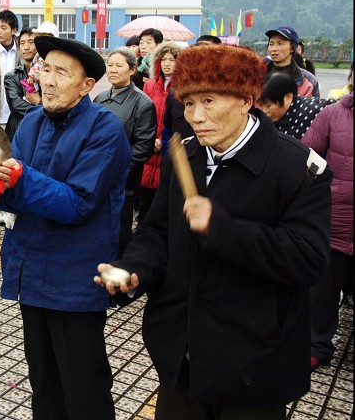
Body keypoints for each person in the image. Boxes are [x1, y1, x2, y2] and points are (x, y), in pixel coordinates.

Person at [95, 45, 332, 420]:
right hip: (182, 351)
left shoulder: (297, 168)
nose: (196, 116)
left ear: (246, 100)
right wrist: (134, 268)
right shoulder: (184, 154)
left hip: (253, 361)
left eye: (208, 100)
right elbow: (158, 232)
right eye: (188, 103)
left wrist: (221, 227)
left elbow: (308, 259)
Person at [0, 36, 131, 420]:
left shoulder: (106, 130)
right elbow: (9, 192)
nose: (48, 80)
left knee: (84, 387)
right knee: (43, 382)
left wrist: (17, 179)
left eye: (62, 73)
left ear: (87, 86)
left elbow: (78, 204)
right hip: (30, 272)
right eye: (45, 68)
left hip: (75, 279)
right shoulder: (30, 124)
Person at [301, 83, 353, 372]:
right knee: (322, 291)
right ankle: (317, 344)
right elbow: (307, 156)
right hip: (333, 223)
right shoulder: (333, 113)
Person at [94, 47, 156, 256]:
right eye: (110, 65)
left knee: (118, 234)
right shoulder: (100, 98)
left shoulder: (143, 103)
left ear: (132, 69)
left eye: (119, 66)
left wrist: (116, 172)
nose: (112, 70)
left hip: (122, 182)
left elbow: (142, 148)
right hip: (94, 178)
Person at [138, 41, 182, 227]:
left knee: (163, 194)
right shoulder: (149, 86)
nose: (167, 64)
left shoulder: (181, 88)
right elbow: (145, 116)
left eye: (172, 60)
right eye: (163, 59)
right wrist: (151, 139)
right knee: (144, 197)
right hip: (150, 143)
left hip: (168, 144)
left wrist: (163, 140)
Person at [258, 73, 333, 139]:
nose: (264, 111)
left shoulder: (314, 112)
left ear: (288, 97)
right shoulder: (278, 117)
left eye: (268, 105)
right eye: (261, 106)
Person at [3, 27, 39, 141]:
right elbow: (16, 106)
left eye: (31, 42)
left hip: (41, 131)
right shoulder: (12, 76)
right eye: (22, 43)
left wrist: (39, 102)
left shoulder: (47, 74)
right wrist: (45, 110)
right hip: (18, 130)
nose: (26, 47)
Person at [265, 26, 320, 98]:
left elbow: (314, 107)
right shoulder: (257, 76)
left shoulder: (308, 80)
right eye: (271, 44)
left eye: (280, 43)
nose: (274, 49)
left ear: (292, 48)